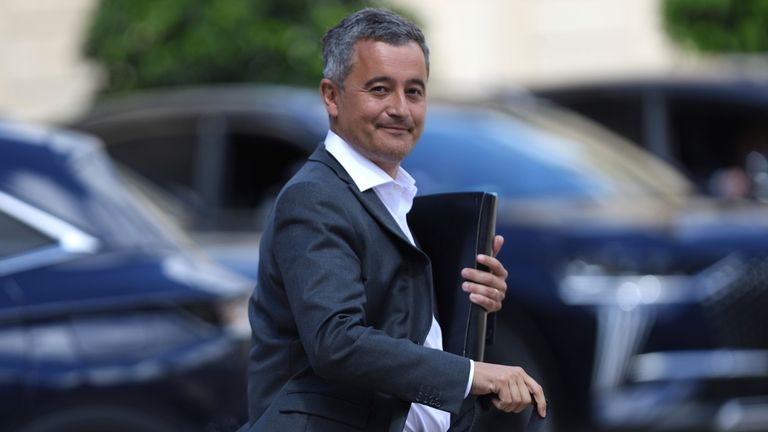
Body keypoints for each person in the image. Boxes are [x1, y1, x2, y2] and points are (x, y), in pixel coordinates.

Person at [240, 8, 546, 432]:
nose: (400, 109)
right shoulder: (315, 197)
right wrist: (474, 376)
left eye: (415, 91)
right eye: (380, 89)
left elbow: (409, 334)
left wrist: (476, 306)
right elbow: (337, 342)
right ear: (332, 96)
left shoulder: (399, 203)